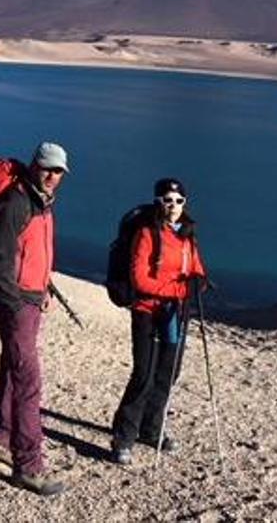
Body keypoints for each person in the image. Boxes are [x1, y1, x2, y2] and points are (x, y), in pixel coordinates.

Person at [0, 141, 70, 496]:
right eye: (47, 168)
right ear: (35, 165)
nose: (52, 176)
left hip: (30, 299)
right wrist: (15, 305)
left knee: (12, 369)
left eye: (58, 171)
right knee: (29, 381)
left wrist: (43, 289)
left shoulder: (42, 202)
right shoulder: (16, 202)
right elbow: (0, 263)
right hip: (14, 303)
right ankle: (28, 465)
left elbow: (32, 253)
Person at [110, 177, 206, 464]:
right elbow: (139, 279)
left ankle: (152, 430)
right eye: (168, 200)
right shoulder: (146, 233)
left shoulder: (187, 233)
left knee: (168, 373)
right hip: (148, 311)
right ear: (158, 202)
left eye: (179, 201)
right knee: (144, 374)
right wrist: (179, 290)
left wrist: (198, 281)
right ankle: (123, 437)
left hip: (175, 314)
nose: (174, 205)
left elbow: (197, 268)